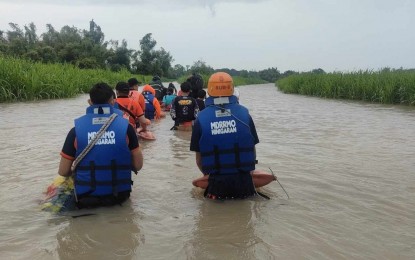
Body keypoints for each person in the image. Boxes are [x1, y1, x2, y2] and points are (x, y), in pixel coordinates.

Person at [58, 82, 143, 208]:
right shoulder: (127, 128)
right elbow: (138, 165)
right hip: (119, 198)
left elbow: (63, 171)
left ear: (90, 102)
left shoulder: (75, 131)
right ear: (113, 101)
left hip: (86, 199)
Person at [190, 72, 271, 200]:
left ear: (209, 90)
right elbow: (252, 150)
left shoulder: (200, 118)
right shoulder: (245, 114)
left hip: (216, 185)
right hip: (245, 183)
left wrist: (210, 176)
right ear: (232, 89)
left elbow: (199, 161)